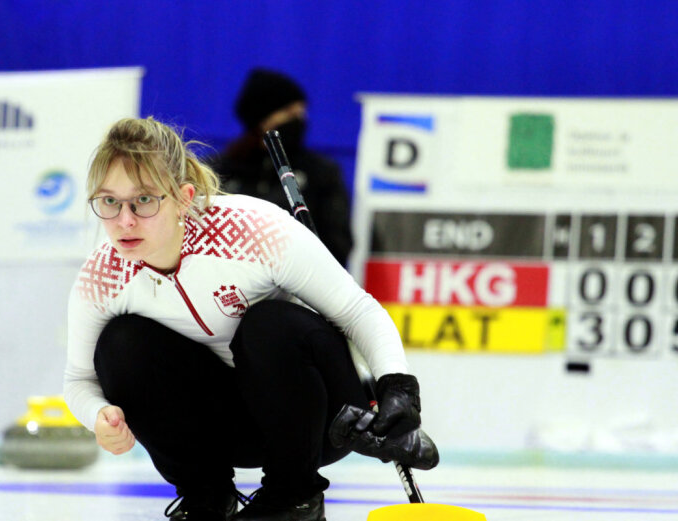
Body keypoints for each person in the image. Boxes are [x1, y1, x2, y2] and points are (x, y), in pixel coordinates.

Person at [64, 117, 423, 521]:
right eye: (109, 202)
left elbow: (358, 310)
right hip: (230, 429)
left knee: (268, 323)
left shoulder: (253, 230)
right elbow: (78, 381)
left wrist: (399, 386)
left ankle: (293, 498)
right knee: (121, 342)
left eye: (144, 200)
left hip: (320, 417)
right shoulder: (104, 277)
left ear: (183, 197)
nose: (124, 221)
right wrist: (98, 416)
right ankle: (206, 497)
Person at [211, 68, 353, 267]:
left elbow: (338, 244)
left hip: (299, 288)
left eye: (301, 113)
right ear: (262, 119)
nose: (299, 121)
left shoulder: (320, 172)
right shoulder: (217, 171)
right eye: (289, 113)